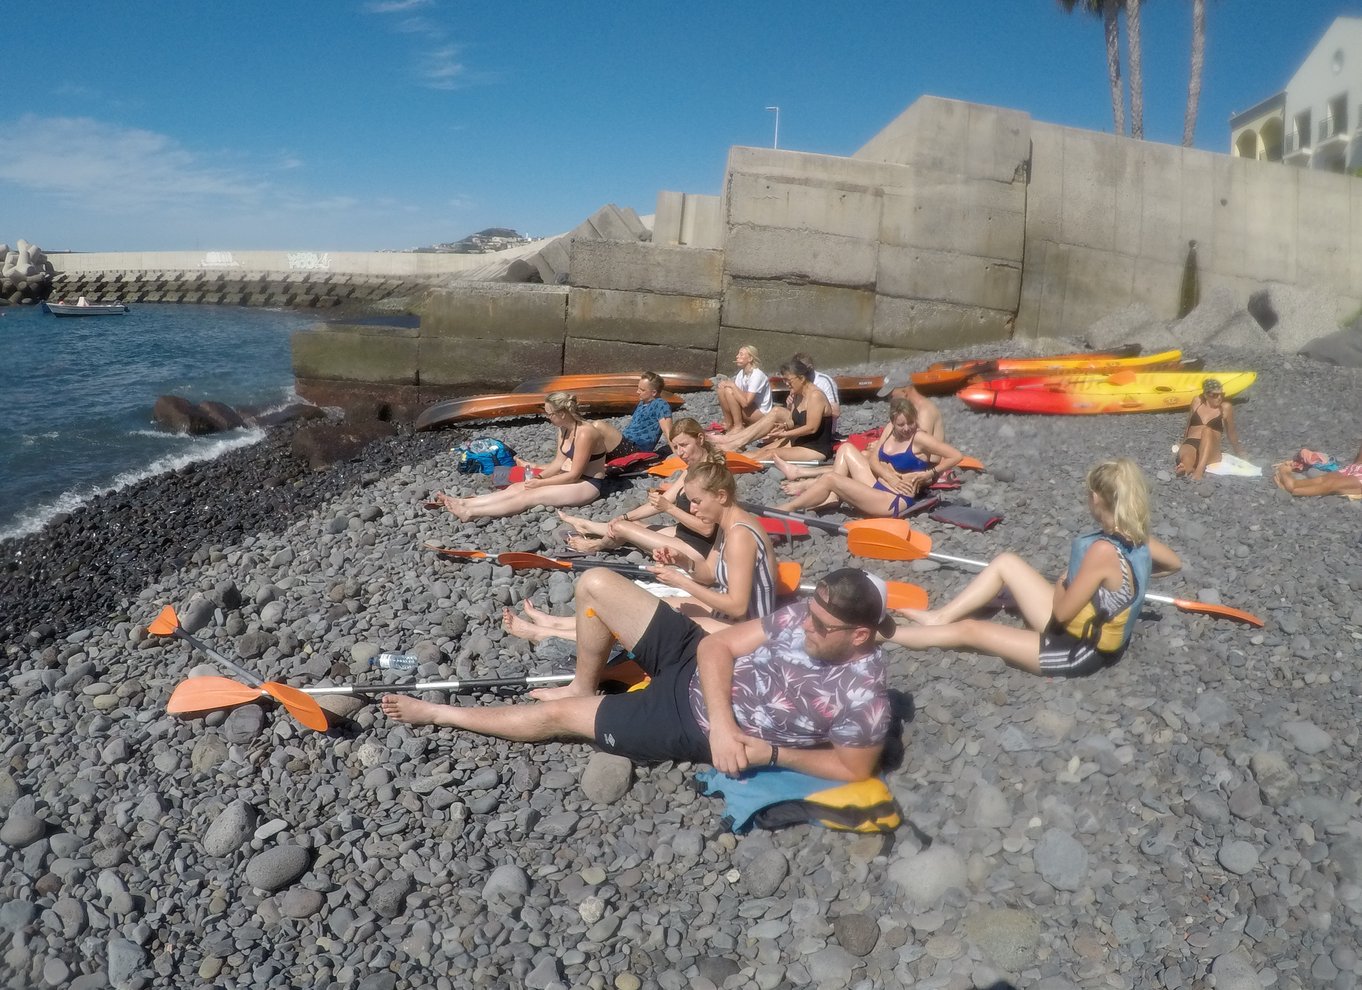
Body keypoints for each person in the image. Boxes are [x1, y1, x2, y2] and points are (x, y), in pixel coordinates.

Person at [382, 567, 896, 782]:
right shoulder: (805, 614)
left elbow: (855, 769)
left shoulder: (864, 699)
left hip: (685, 720)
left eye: (821, 626)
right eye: (810, 613)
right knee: (598, 583)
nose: (805, 625)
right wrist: (725, 721)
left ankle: (437, 712)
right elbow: (717, 646)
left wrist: (769, 752)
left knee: (557, 715)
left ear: (858, 636)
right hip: (699, 670)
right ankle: (583, 680)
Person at [887, 459, 1182, 677]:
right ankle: (939, 617)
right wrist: (1122, 588)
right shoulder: (1140, 538)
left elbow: (1064, 611)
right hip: (1080, 626)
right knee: (1006, 563)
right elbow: (1173, 565)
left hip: (1079, 650)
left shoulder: (1102, 551)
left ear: (1095, 499)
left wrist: (1064, 583)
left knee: (971, 630)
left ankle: (883, 634)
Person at [505, 460, 777, 643]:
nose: (692, 509)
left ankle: (546, 634)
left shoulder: (741, 535)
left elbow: (738, 605)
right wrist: (682, 561)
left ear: (721, 496)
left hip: (748, 632)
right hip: (730, 618)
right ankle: (553, 623)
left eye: (696, 502)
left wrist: (680, 581)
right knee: (651, 605)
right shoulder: (727, 525)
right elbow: (707, 574)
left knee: (644, 618)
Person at [556, 417, 723, 563]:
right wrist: (625, 516)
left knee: (622, 529)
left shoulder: (710, 474)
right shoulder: (693, 468)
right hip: (685, 534)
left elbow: (707, 529)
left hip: (699, 549)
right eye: (676, 447)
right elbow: (660, 504)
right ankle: (587, 526)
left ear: (700, 438)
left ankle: (594, 545)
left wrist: (669, 508)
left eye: (684, 445)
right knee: (631, 523)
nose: (680, 453)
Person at [774, 397, 963, 517]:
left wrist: (928, 474)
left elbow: (955, 456)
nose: (907, 429)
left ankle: (789, 508)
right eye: (901, 424)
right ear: (892, 422)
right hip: (880, 484)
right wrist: (887, 475)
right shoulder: (889, 431)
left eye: (910, 423)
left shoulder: (919, 437)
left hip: (894, 500)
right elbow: (873, 459)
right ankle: (832, 497)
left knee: (831, 478)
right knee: (846, 448)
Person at [436, 391, 610, 521]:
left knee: (528, 496)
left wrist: (540, 483)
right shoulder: (563, 429)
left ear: (562, 414)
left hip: (588, 484)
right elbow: (558, 462)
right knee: (516, 488)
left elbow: (574, 475)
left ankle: (471, 512)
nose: (547, 417)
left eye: (550, 414)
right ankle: (464, 503)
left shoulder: (585, 433)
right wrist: (539, 477)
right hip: (571, 478)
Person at [714, 351, 841, 452]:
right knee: (776, 411)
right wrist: (790, 408)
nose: (788, 382)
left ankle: (736, 440)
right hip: (801, 423)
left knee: (769, 449)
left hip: (820, 432)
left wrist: (812, 404)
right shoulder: (796, 385)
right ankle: (733, 439)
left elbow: (834, 412)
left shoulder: (822, 383)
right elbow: (795, 415)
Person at [595, 371, 673, 460]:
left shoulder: (661, 404)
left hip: (636, 451)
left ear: (654, 392)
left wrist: (678, 455)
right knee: (590, 431)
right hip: (626, 444)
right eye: (638, 388)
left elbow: (668, 432)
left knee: (599, 426)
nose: (637, 392)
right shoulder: (642, 403)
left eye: (642, 390)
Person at [1176, 379, 1244, 479]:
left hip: (1211, 447)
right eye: (1215, 395)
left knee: (1207, 430)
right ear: (1205, 395)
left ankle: (1199, 470)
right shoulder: (1197, 401)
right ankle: (1186, 467)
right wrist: (1183, 442)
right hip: (1191, 442)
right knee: (1186, 458)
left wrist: (1240, 452)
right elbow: (1189, 425)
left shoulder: (1225, 408)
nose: (1219, 398)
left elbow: (1231, 433)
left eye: (1222, 394)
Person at [714, 345, 772, 432]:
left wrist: (732, 385)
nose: (737, 356)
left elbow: (746, 403)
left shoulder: (757, 375)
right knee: (722, 390)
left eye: (741, 354)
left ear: (750, 359)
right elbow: (739, 394)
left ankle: (738, 426)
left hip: (761, 413)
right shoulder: (741, 374)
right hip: (749, 409)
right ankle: (729, 423)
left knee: (729, 390)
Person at [1274, 440, 1362, 497]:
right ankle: (1293, 485)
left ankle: (1291, 486)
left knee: (1331, 484)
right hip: (1356, 468)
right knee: (1324, 479)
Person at [876, 372, 944, 442]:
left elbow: (921, 445)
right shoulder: (908, 410)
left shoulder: (924, 411)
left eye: (891, 397)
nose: (889, 401)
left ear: (904, 392)